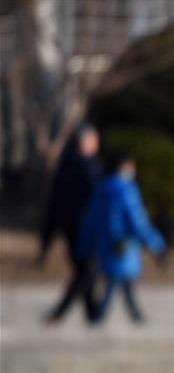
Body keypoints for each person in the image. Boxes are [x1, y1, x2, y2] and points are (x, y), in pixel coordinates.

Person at [78, 152, 165, 324]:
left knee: (117, 281)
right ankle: (109, 316)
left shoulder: (100, 189)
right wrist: (157, 243)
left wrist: (84, 246)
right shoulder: (126, 190)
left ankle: (130, 315)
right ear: (123, 167)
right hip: (124, 246)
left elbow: (90, 221)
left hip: (106, 247)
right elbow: (138, 222)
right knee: (117, 282)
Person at [38, 125, 102, 323]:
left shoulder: (65, 167)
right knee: (87, 272)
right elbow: (98, 203)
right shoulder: (89, 168)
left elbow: (53, 207)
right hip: (85, 230)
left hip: (70, 229)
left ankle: (93, 315)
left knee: (86, 272)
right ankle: (60, 313)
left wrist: (46, 239)